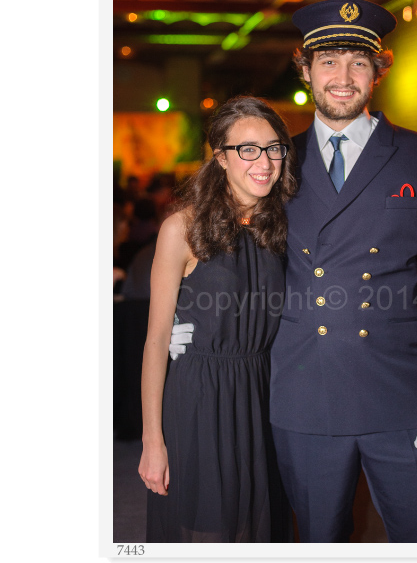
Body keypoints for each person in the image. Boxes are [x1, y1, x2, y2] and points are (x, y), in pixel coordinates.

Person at [268, 0, 417, 542]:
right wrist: (192, 318)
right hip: (305, 391)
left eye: (358, 62)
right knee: (319, 540)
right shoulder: (273, 161)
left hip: (401, 394)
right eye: (328, 61)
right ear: (305, 70)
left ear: (378, 72)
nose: (343, 77)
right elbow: (242, 260)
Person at [138, 96, 296, 542]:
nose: (264, 162)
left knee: (259, 529)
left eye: (273, 148)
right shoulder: (182, 229)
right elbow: (156, 340)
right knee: (205, 529)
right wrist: (153, 441)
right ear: (221, 157)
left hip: (262, 397)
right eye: (248, 149)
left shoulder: (283, 226)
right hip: (200, 399)